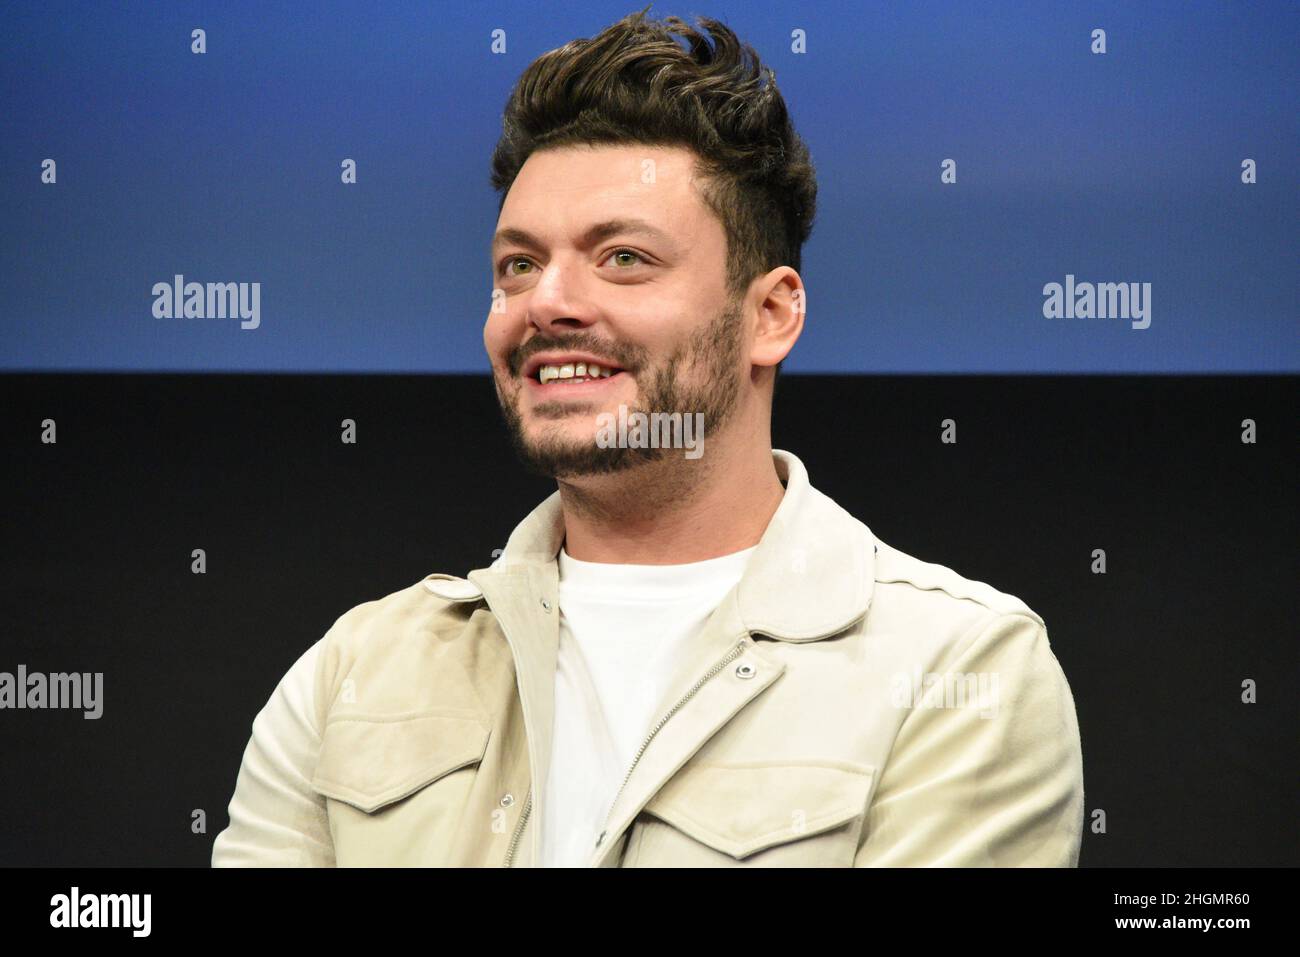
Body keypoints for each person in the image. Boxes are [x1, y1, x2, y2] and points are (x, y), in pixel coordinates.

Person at [212, 8, 1083, 868]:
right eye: (518, 263)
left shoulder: (963, 672)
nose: (547, 301)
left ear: (770, 314)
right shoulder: (350, 674)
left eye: (623, 257)